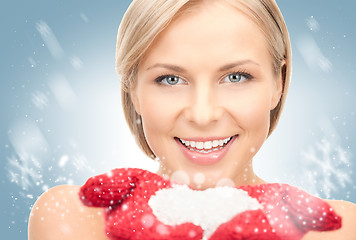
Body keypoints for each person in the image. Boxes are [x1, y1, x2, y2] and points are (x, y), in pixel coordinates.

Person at [28, 0, 356, 239]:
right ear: (133, 91)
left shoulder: (338, 228)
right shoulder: (73, 217)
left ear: (278, 83)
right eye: (170, 79)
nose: (203, 115)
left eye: (236, 77)